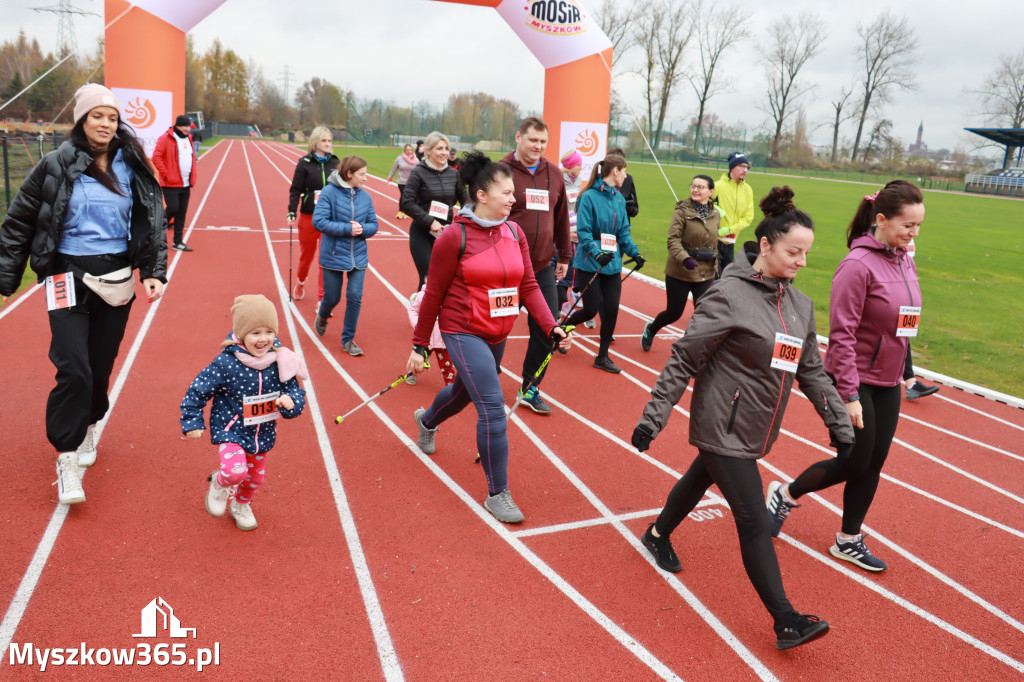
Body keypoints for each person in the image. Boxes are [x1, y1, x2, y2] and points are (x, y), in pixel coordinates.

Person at [632, 186, 853, 651]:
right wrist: (654, 419)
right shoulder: (727, 295)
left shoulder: (799, 306)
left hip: (754, 427)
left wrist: (840, 425)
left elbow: (812, 370)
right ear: (766, 246)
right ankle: (785, 620)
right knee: (753, 520)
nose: (801, 262)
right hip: (720, 423)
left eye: (806, 254)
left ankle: (656, 534)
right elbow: (684, 359)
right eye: (794, 252)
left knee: (699, 477)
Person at [0, 83, 167, 504]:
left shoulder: (133, 165)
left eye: (112, 117)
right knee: (73, 365)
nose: (106, 123)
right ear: (81, 119)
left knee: (99, 363)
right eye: (98, 115)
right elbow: (19, 221)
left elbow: (152, 218)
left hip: (116, 277)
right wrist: (5, 280)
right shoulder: (56, 163)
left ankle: (91, 420)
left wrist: (153, 271)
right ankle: (67, 455)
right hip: (66, 274)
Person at [765, 180, 927, 573]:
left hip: (888, 381)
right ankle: (785, 494)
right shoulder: (857, 266)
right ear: (882, 220)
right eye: (908, 225)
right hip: (857, 381)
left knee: (874, 462)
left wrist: (904, 372)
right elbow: (842, 335)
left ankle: (848, 539)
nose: (914, 233)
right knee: (854, 461)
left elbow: (903, 322)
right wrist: (849, 394)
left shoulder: (904, 257)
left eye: (919, 226)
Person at [405, 151, 567, 524]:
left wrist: (550, 324)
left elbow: (528, 284)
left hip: (498, 333)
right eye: (507, 193)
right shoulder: (454, 236)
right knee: (493, 406)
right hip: (462, 330)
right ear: (481, 195)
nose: (515, 199)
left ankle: (427, 421)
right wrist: (419, 345)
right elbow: (433, 294)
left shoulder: (514, 233)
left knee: (464, 391)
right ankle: (498, 493)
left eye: (514, 193)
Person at [181, 295, 307, 531]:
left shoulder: (281, 361)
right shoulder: (225, 364)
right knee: (235, 471)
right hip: (232, 431)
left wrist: (292, 402)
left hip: (262, 435)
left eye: (269, 332)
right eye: (255, 333)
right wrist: (191, 420)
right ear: (240, 335)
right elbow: (197, 391)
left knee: (254, 479)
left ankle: (240, 506)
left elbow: (296, 393)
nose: (263, 339)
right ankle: (220, 482)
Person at [501, 117, 572, 413]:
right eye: (532, 140)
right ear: (518, 137)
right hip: (504, 268)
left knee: (547, 329)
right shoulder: (500, 172)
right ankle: (481, 376)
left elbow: (561, 216)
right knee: (495, 328)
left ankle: (530, 387)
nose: (538, 147)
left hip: (541, 268)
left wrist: (565, 256)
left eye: (543, 142)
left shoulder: (554, 174)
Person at [563, 154, 645, 374]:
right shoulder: (587, 197)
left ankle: (602, 356)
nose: (626, 176)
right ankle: (563, 328)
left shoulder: (619, 198)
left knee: (611, 309)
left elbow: (623, 233)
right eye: (624, 171)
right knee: (590, 310)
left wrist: (635, 254)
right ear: (615, 171)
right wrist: (597, 253)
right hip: (590, 263)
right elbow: (584, 232)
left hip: (612, 264)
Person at [641, 174, 720, 352]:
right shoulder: (682, 212)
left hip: (705, 273)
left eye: (700, 187)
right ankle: (651, 329)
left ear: (711, 191)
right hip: (680, 271)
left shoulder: (715, 214)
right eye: (693, 186)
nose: (695, 189)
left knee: (703, 314)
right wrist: (685, 259)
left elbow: (714, 244)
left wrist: (715, 269)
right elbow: (673, 240)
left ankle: (688, 349)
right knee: (674, 313)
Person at [312, 155, 379, 356]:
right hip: (333, 254)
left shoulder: (365, 197)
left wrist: (363, 229)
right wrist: (346, 229)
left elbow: (373, 225)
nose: (365, 178)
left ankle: (348, 340)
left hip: (357, 256)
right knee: (332, 297)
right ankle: (323, 315)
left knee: (355, 296)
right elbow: (319, 222)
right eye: (362, 174)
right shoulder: (329, 192)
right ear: (349, 174)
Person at [400, 131, 468, 289]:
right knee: (429, 277)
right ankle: (421, 313)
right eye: (439, 148)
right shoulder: (418, 172)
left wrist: (462, 222)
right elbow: (407, 202)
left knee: (445, 280)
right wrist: (430, 222)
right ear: (428, 151)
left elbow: (466, 201)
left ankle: (431, 311)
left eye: (446, 148)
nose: (444, 152)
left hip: (446, 234)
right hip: (422, 233)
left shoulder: (454, 174)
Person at [287, 126, 339, 302]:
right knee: (306, 258)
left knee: (325, 261)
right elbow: (295, 189)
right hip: (309, 217)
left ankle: (321, 299)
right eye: (324, 140)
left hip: (329, 219)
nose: (327, 144)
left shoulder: (335, 163)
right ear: (315, 142)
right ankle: (301, 282)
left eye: (329, 141)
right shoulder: (304, 163)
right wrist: (291, 211)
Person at [152, 113, 199, 252]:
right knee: (173, 208)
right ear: (177, 126)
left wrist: (193, 176)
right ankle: (155, 228)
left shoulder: (189, 138)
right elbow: (156, 157)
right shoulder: (165, 138)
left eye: (188, 126)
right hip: (170, 183)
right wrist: (166, 174)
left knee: (181, 213)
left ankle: (178, 242)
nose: (187, 129)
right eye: (184, 126)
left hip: (186, 183)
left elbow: (191, 157)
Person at [406, 284, 456, 387]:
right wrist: (417, 324)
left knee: (447, 366)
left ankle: (450, 386)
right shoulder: (422, 296)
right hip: (425, 339)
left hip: (443, 341)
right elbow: (413, 310)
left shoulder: (450, 297)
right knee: (419, 358)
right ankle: (412, 373)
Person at [713, 151, 754, 276]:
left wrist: (729, 229)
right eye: (741, 166)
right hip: (713, 241)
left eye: (747, 167)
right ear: (732, 168)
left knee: (727, 278)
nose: (745, 170)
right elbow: (703, 206)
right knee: (713, 278)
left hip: (730, 242)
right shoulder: (717, 186)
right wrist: (716, 209)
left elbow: (748, 217)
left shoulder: (748, 190)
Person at [386, 144, 418, 220]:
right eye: (407, 150)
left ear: (412, 151)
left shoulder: (416, 160)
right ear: (404, 150)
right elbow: (394, 169)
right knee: (404, 195)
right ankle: (401, 211)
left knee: (410, 197)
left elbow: (420, 170)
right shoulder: (399, 159)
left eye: (410, 150)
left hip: (412, 182)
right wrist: (390, 177)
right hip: (401, 181)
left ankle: (407, 212)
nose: (409, 151)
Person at [607, 147, 639, 218]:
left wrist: (625, 205)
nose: (625, 176)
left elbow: (635, 210)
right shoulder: (600, 184)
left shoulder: (628, 180)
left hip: (623, 227)